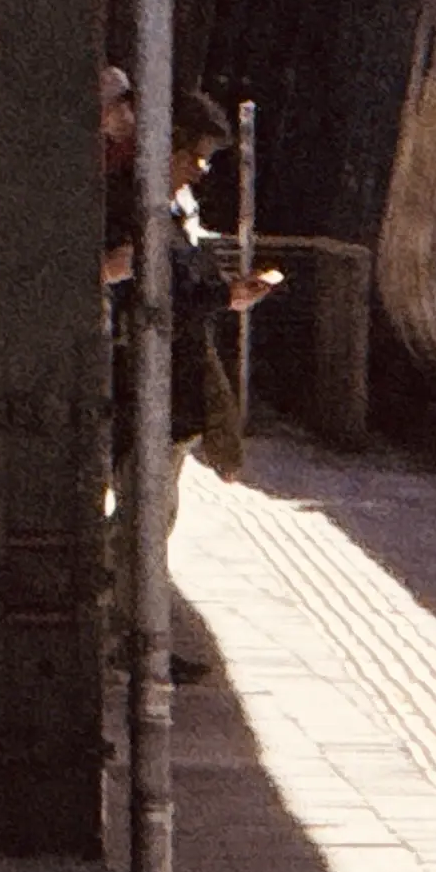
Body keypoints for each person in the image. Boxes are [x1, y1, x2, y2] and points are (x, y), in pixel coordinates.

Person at [105, 93, 279, 679]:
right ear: (167, 147)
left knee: (151, 516)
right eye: (196, 155)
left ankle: (132, 631)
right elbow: (156, 294)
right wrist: (224, 297)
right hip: (147, 384)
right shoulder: (135, 205)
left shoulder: (167, 207)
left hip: (168, 388)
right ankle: (131, 637)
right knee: (142, 518)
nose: (203, 169)